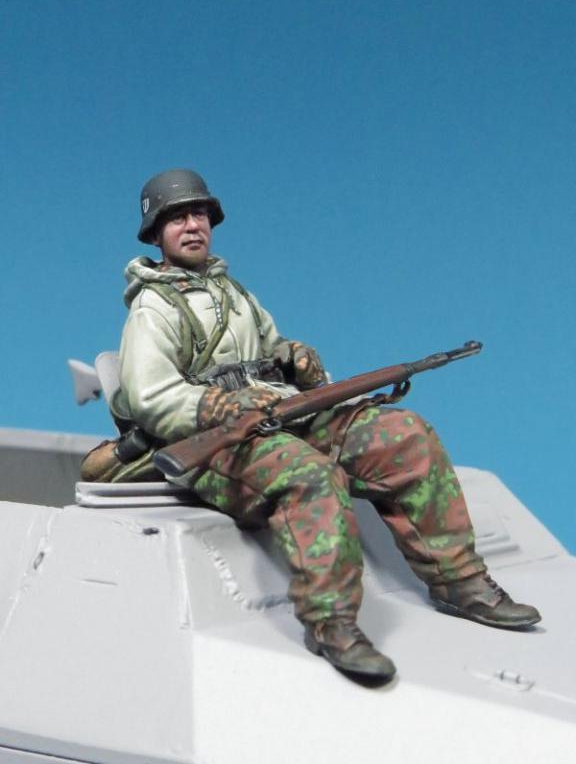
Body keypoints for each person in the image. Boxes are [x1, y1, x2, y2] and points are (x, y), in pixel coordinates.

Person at [95, 168, 541, 684]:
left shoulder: (233, 293)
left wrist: (294, 356)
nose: (192, 226)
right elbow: (152, 398)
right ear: (156, 234)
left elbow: (268, 349)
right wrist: (220, 406)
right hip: (212, 443)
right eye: (177, 219)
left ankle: (458, 580)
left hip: (278, 417)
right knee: (311, 477)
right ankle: (332, 622)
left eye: (199, 215)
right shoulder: (152, 310)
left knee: (405, 436)